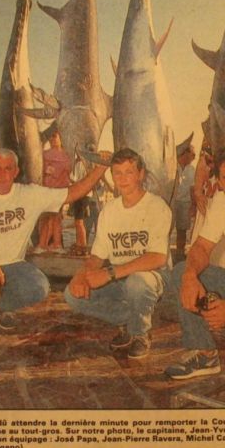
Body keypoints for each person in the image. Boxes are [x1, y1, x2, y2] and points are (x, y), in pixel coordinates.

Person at [0, 147, 110, 335]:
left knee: (39, 286)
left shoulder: (29, 194)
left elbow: (72, 193)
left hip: (12, 265)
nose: (2, 174)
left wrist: (100, 168)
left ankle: (6, 305)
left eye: (8, 168)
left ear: (16, 172)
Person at [64, 148, 172, 359]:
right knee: (72, 294)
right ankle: (129, 321)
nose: (122, 179)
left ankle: (140, 333)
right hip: (119, 279)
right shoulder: (109, 211)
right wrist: (80, 276)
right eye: (117, 173)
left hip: (153, 277)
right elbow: (97, 256)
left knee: (137, 283)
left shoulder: (157, 206)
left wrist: (110, 273)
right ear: (111, 175)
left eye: (129, 172)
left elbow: (157, 258)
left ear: (141, 174)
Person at [165, 143, 225, 380]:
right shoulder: (223, 202)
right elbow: (201, 246)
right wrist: (191, 276)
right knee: (182, 270)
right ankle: (205, 353)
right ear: (219, 182)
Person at [34, 130, 71, 253]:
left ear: (61, 138)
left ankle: (57, 245)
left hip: (59, 192)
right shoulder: (43, 154)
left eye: (55, 136)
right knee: (45, 218)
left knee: (56, 219)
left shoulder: (67, 156)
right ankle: (42, 245)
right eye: (51, 137)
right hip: (46, 191)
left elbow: (68, 173)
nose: (52, 139)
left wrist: (54, 173)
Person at [174, 142, 196, 262]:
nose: (194, 157)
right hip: (172, 202)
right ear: (185, 153)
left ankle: (179, 254)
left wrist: (193, 205)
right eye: (193, 154)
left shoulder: (192, 170)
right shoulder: (172, 166)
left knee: (181, 230)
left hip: (185, 203)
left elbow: (193, 189)